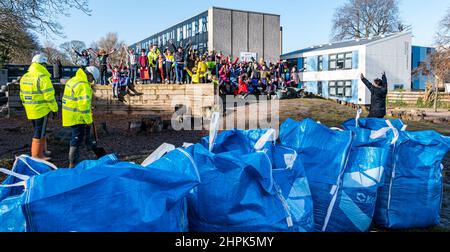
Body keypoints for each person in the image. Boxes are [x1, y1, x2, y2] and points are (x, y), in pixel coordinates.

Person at [19, 54, 58, 160]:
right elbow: (49, 96)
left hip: (30, 109)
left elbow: (22, 94)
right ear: (42, 64)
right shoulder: (43, 77)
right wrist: (54, 109)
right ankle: (37, 156)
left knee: (41, 131)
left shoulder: (25, 76)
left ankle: (43, 150)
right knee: (39, 132)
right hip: (42, 110)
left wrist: (27, 106)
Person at [62, 66, 100, 168]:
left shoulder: (73, 80)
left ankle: (90, 148)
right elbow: (83, 105)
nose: (92, 81)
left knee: (82, 134)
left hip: (70, 113)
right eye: (92, 79)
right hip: (77, 115)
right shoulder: (83, 85)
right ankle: (72, 164)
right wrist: (88, 120)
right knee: (76, 139)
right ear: (89, 75)